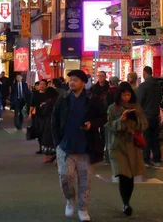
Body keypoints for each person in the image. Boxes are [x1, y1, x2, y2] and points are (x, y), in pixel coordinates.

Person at [51, 69, 106, 222]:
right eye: (71, 80)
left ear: (83, 82)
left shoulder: (92, 99)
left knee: (84, 181)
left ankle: (83, 209)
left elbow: (103, 117)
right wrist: (57, 144)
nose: (72, 82)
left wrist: (92, 124)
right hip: (65, 146)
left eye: (75, 80)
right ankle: (70, 199)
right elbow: (54, 121)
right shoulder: (63, 98)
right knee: (65, 177)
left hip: (85, 147)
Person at [105, 82, 148, 216]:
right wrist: (121, 120)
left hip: (133, 146)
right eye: (124, 95)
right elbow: (109, 125)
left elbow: (144, 124)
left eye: (128, 95)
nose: (126, 98)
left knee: (130, 177)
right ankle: (125, 203)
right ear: (119, 95)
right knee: (123, 175)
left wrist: (136, 119)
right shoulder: (113, 108)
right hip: (118, 146)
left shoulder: (136, 107)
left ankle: (127, 201)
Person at [136, 66, 163, 169]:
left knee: (146, 138)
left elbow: (139, 102)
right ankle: (157, 160)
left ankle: (146, 160)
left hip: (145, 116)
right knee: (155, 138)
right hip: (155, 115)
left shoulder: (143, 86)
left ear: (144, 73)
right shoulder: (158, 85)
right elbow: (160, 99)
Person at [40, 86, 60, 164]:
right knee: (56, 140)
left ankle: (49, 157)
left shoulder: (49, 101)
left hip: (49, 122)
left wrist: (42, 106)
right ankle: (56, 158)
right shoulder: (58, 100)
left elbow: (44, 112)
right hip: (58, 122)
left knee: (48, 140)